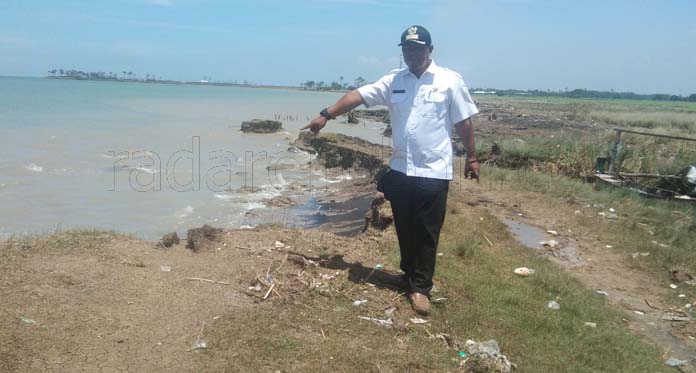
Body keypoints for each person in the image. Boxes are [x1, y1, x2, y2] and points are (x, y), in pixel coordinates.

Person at [302, 25, 479, 315]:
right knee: (405, 227)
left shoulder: (450, 81)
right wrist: (326, 115)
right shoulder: (393, 81)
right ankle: (408, 275)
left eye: (417, 48)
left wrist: (472, 157)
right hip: (400, 169)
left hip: (433, 171)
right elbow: (357, 96)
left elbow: (464, 122)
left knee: (427, 231)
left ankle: (421, 289)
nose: (411, 53)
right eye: (406, 48)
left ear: (429, 50)